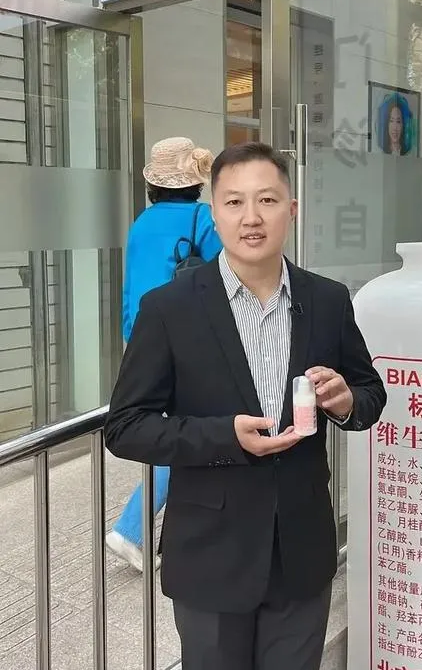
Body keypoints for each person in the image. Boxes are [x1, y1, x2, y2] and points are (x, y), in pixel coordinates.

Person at [104, 141, 386, 670]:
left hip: (301, 551)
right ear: (214, 213)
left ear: (292, 209)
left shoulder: (326, 300)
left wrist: (348, 401)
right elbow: (125, 426)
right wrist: (224, 437)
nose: (251, 218)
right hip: (210, 556)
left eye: (267, 200)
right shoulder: (169, 310)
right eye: (234, 202)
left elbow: (370, 393)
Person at [106, 136, 222, 572]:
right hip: (187, 340)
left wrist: (131, 336)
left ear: (154, 184)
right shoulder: (202, 218)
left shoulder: (140, 223)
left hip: (142, 336)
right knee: (187, 430)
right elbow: (228, 277)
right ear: (196, 182)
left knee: (169, 426)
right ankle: (131, 529)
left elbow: (130, 289)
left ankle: (143, 528)